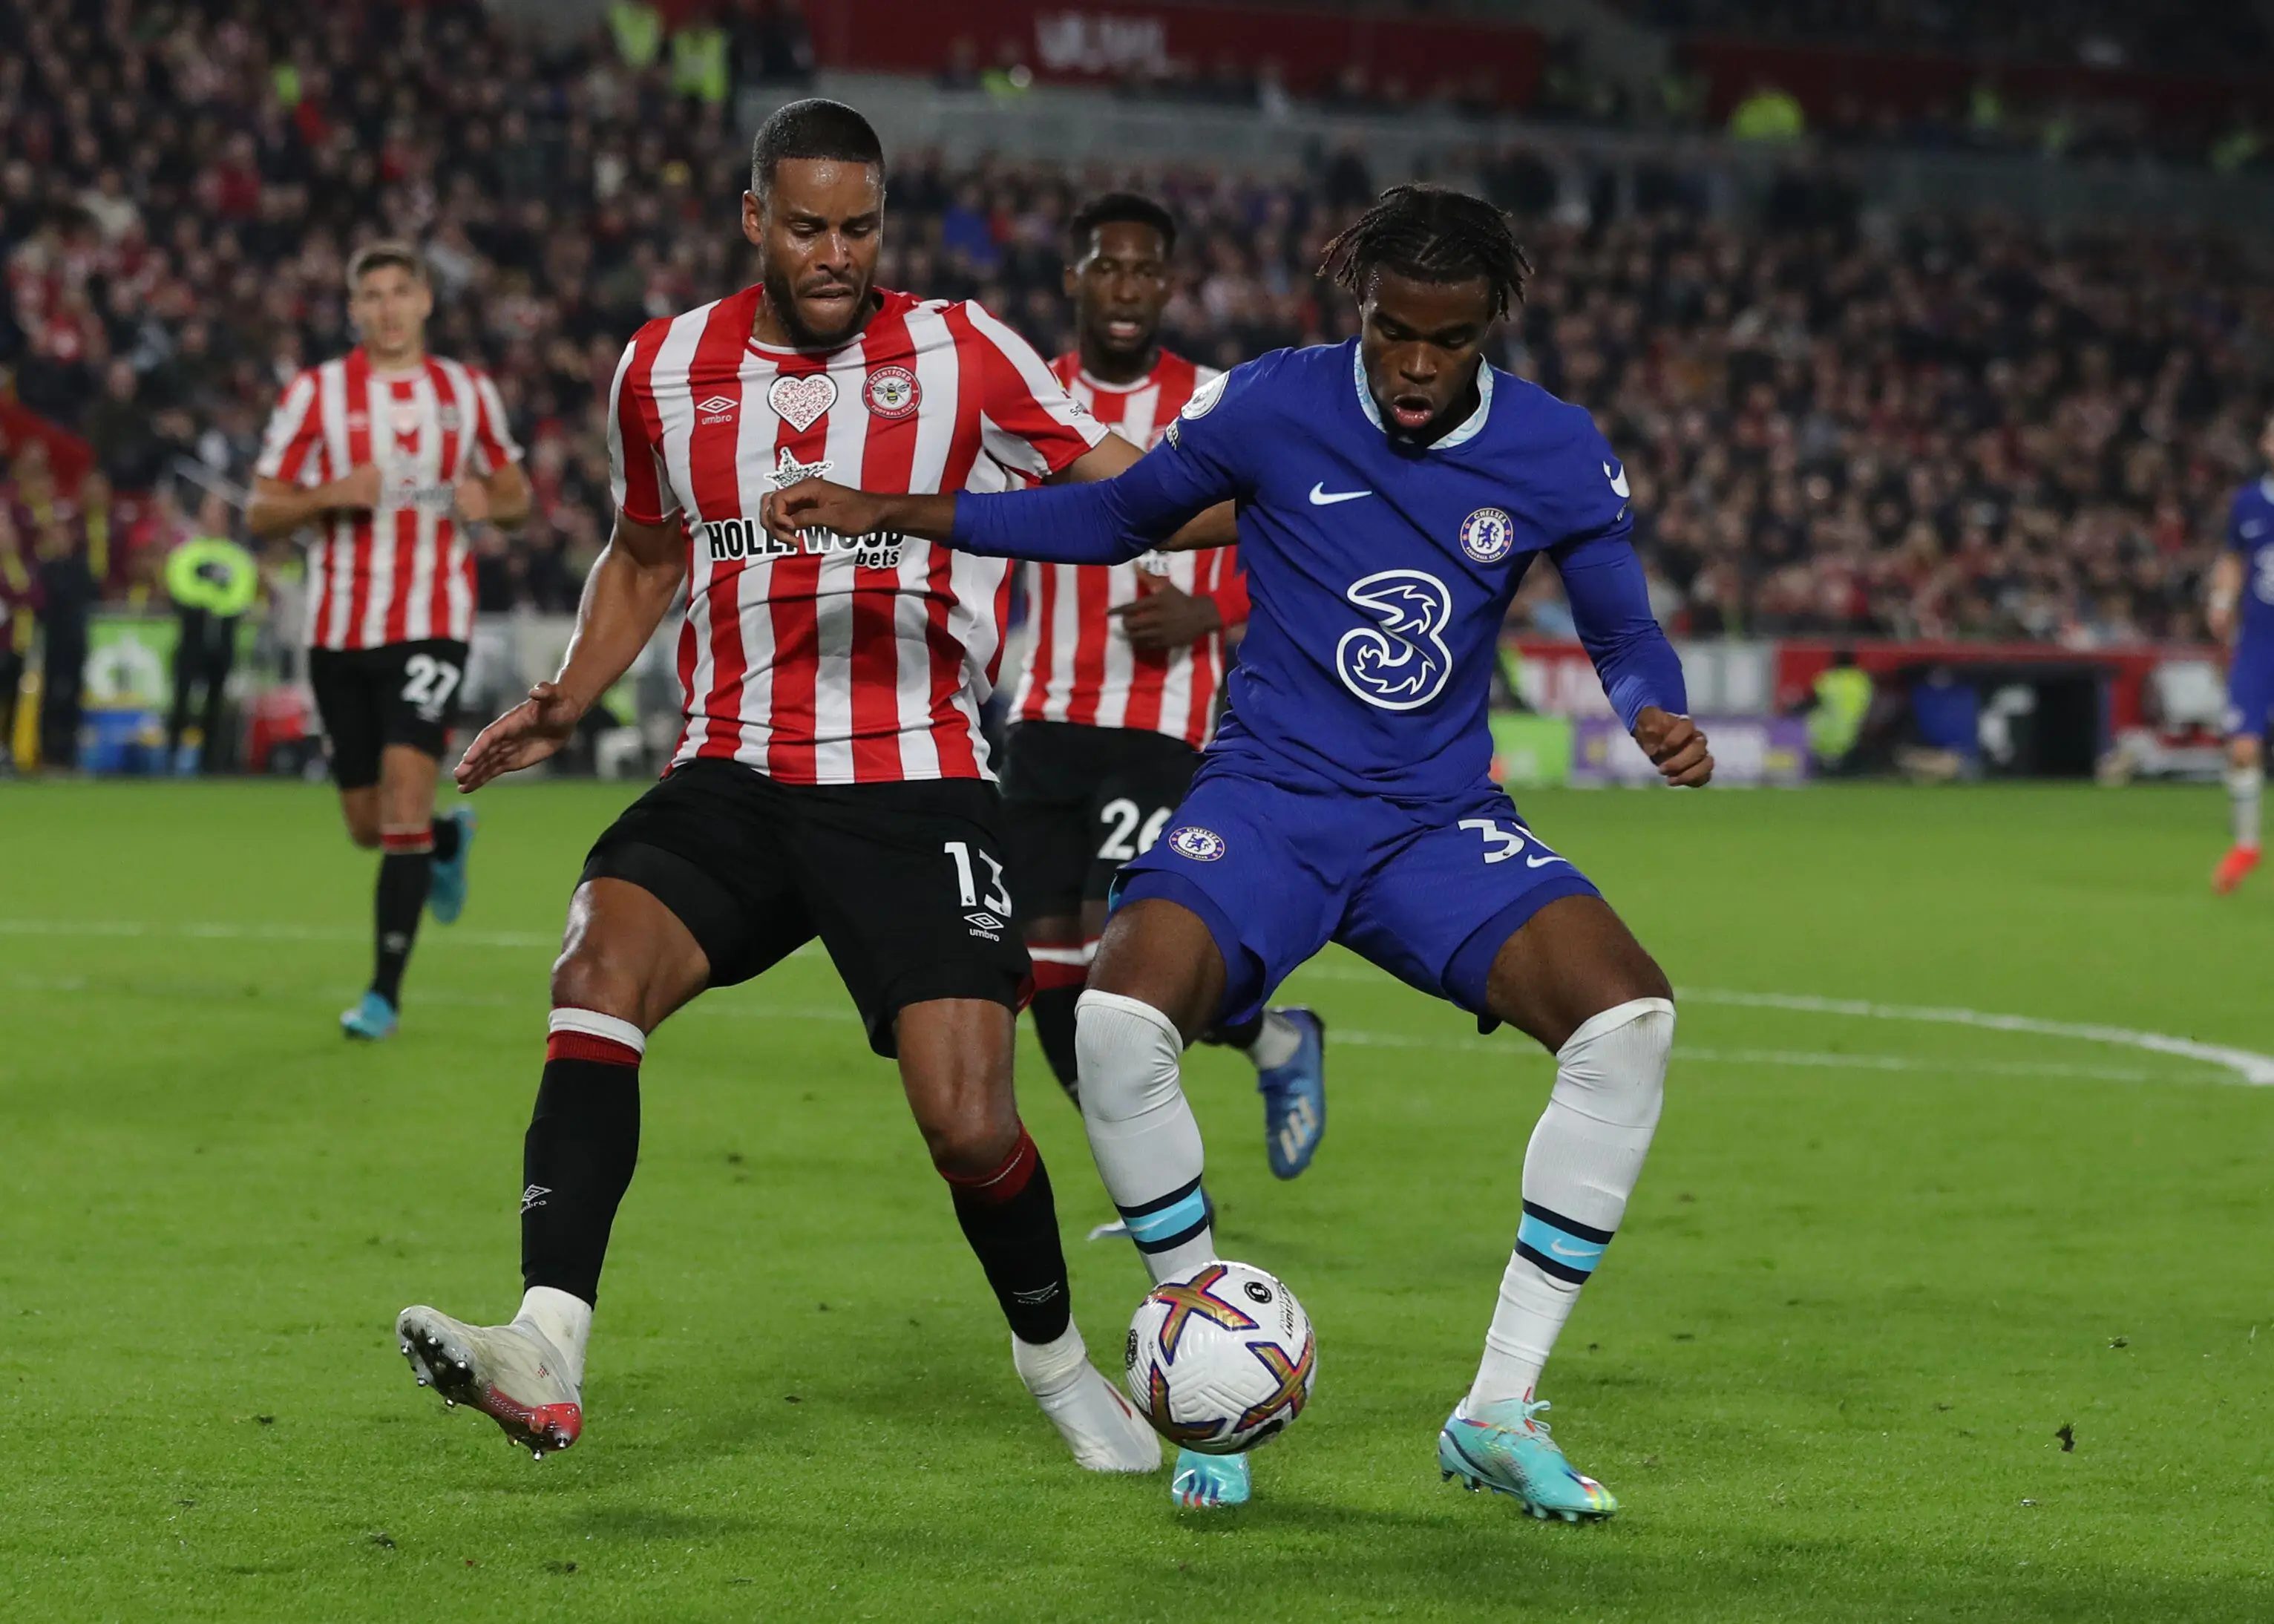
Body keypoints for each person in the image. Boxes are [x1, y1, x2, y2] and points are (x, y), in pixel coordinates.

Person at [767, 184, 1712, 1515]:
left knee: (1628, 1021)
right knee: (1109, 1022)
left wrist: (1650, 706)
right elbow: (1112, 520)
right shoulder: (1271, 401)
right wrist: (898, 508)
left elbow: (1618, 627)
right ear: (1362, 312)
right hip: (1266, 800)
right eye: (1394, 332)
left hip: (1434, 821)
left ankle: (1496, 1403)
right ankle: (1201, 1364)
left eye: (1447, 340)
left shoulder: (1553, 448)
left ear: (1489, 326)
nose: (1418, 365)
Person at [393, 99, 1204, 1475]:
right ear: (753, 217)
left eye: (860, 226)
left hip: (918, 782)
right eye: (808, 225)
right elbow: (646, 554)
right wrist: (571, 694)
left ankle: (1058, 1365)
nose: (836, 254)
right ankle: (545, 1334)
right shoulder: (662, 368)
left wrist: (1301, 496)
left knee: (969, 1119)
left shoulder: (960, 352)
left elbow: (1125, 491)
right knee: (595, 972)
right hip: (731, 770)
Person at [1003, 191, 1327, 1179]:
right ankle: (1266, 1046)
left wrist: (1212, 615)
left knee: (1128, 956)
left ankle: (1165, 1187)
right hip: (1045, 715)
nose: (1128, 286)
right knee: (1047, 979)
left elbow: (1292, 535)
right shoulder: (1030, 396)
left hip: (1163, 722)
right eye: (1108, 266)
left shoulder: (1219, 401)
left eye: (1146, 269)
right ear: (1076, 278)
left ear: (1170, 283)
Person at [247, 241, 530, 1039]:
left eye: (400, 291)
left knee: (406, 790)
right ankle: (447, 836)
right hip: (339, 630)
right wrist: (330, 495)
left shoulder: (467, 393)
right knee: (369, 825)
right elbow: (262, 509)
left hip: (432, 621)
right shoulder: (316, 395)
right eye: (370, 294)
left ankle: (382, 995)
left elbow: (515, 494)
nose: (387, 307)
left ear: (426, 300)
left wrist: (488, 499)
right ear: (353, 309)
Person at [2207, 412, 2274, 894]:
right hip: (2259, 641)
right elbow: (2233, 559)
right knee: (2244, 746)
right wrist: (2221, 600)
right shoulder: (2247, 503)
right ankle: (2247, 845)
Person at [163, 492, 260, 773]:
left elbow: (241, 594)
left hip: (223, 637)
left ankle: (210, 762)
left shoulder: (237, 557)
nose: (213, 519)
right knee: (181, 698)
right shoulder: (187, 553)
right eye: (208, 512)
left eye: (218, 514)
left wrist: (208, 598)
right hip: (191, 635)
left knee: (215, 702)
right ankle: (171, 757)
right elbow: (180, 586)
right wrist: (214, 597)